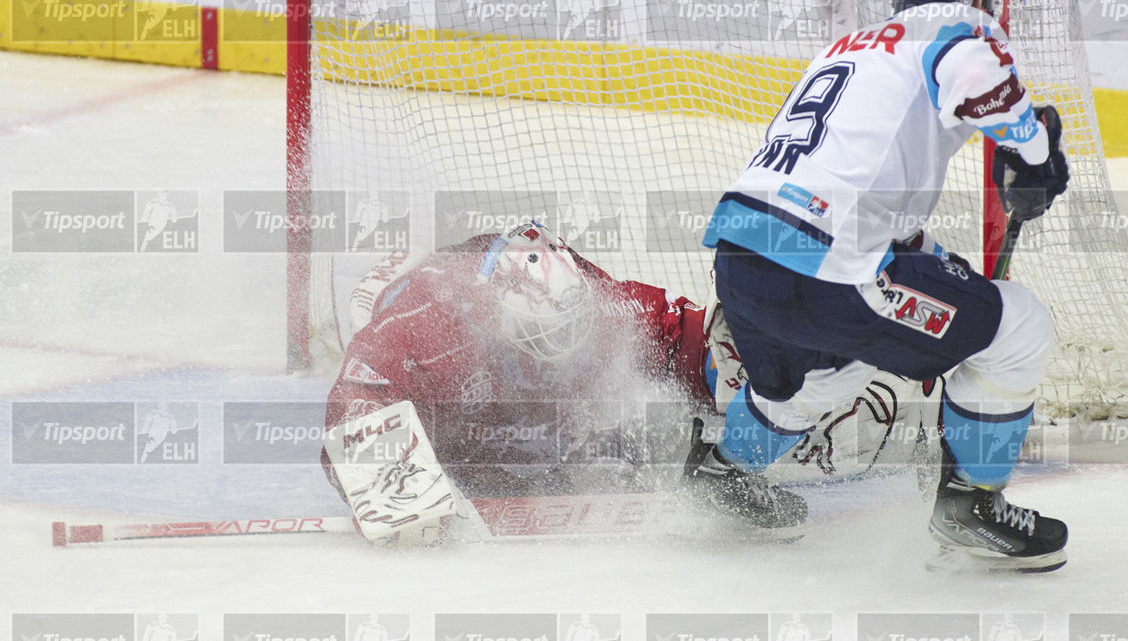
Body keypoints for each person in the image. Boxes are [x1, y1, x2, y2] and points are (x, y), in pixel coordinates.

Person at [694, 0, 1071, 572]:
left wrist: (938, 265)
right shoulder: (956, 25)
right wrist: (1035, 154)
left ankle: (723, 474)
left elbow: (851, 186)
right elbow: (984, 81)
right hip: (830, 270)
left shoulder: (846, 50)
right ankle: (971, 505)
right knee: (1019, 325)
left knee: (828, 372)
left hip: (742, 254)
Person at [322, 221, 941, 544]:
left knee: (642, 429)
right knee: (374, 328)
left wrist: (754, 362)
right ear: (496, 326)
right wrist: (388, 482)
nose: (563, 352)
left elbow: (683, 337)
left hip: (539, 422)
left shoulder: (595, 309)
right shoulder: (430, 329)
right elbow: (355, 398)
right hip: (415, 326)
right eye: (541, 345)